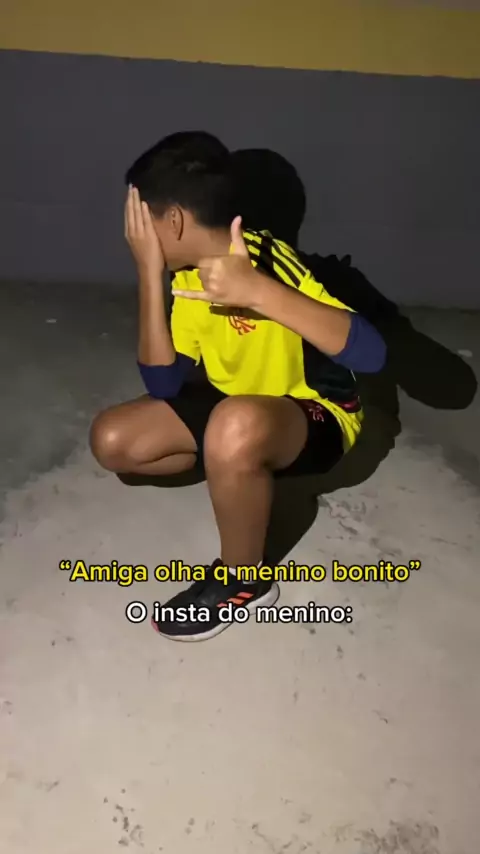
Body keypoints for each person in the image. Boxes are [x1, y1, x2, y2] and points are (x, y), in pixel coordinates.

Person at [90, 131, 386, 642]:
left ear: (174, 220)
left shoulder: (270, 260)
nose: (134, 234)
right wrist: (148, 274)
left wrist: (257, 292)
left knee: (233, 427)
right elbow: (163, 383)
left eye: (141, 220)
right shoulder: (186, 277)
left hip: (316, 414)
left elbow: (372, 355)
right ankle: (240, 473)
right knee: (112, 440)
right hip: (235, 406)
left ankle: (244, 581)